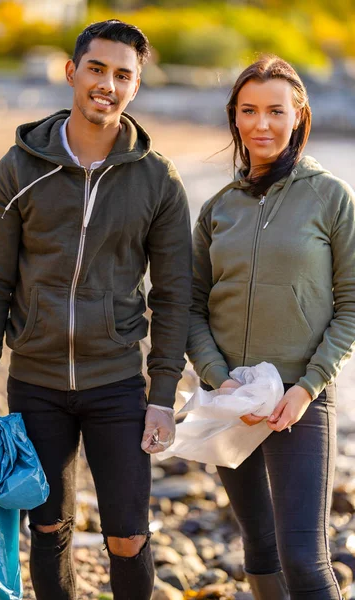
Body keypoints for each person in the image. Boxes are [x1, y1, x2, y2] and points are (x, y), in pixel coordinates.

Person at [0, 20, 192, 600]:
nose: (106, 85)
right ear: (71, 71)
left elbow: (172, 295)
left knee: (129, 536)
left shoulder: (157, 180)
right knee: (47, 528)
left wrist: (162, 395)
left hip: (117, 382)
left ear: (136, 86)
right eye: (96, 68)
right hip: (35, 382)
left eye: (122, 75)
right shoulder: (18, 169)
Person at [187, 55, 355, 600]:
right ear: (234, 117)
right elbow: (189, 307)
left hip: (300, 403)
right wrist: (217, 377)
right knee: (257, 547)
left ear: (298, 114)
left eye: (275, 111)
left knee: (305, 561)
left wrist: (308, 388)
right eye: (249, 110)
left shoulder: (331, 197)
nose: (262, 124)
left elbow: (351, 305)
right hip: (232, 398)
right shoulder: (218, 209)